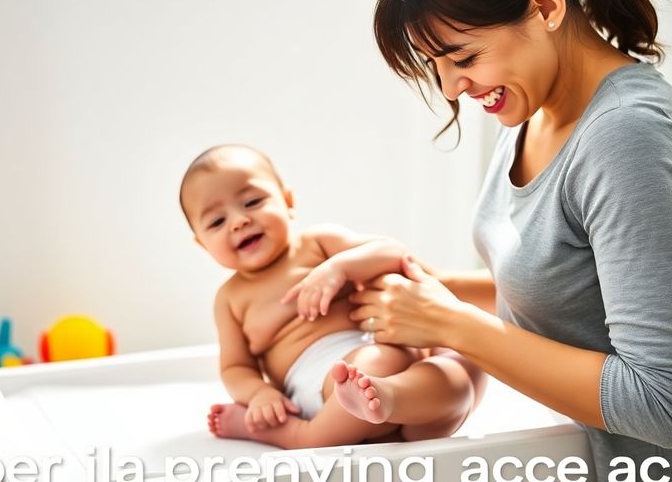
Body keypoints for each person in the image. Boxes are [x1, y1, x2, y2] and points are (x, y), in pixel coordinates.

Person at [339, 0, 672, 478]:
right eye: (434, 65)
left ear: (547, 8)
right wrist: (421, 289)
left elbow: (659, 404)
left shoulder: (628, 138)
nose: (452, 87)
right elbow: (567, 292)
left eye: (463, 57)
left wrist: (451, 324)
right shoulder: (535, 105)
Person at [180, 144, 481, 448]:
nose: (238, 221)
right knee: (375, 365)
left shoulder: (318, 245)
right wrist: (259, 393)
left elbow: (395, 255)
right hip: (329, 383)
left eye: (253, 201)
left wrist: (342, 266)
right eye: (217, 221)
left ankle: (391, 400)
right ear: (203, 244)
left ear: (287, 201)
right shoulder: (230, 299)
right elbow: (235, 368)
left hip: (399, 378)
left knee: (457, 383)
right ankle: (300, 434)